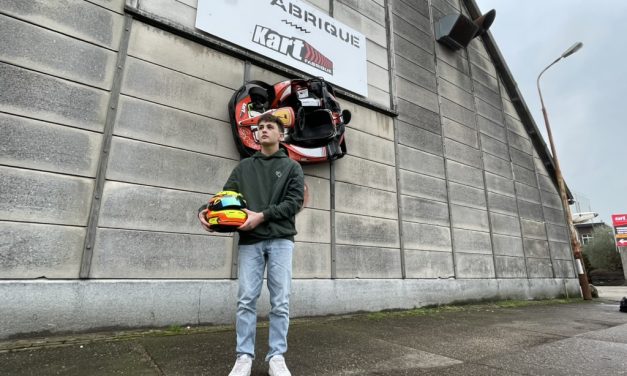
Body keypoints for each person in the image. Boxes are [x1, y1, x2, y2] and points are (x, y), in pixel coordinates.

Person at [199, 113, 304, 376]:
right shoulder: (244, 167)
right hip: (250, 242)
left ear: (281, 135)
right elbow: (225, 198)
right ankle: (244, 357)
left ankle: (276, 358)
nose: (264, 130)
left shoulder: (293, 167)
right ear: (256, 135)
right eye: (260, 127)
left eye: (270, 127)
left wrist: (261, 216)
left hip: (281, 239)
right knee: (246, 300)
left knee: (280, 301)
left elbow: (294, 203)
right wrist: (205, 211)